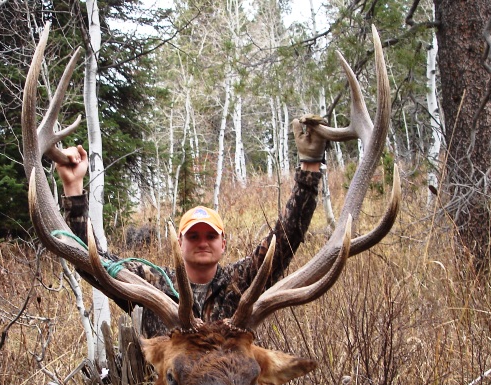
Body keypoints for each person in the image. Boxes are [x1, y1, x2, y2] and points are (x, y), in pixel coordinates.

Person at [56, 116, 327, 338]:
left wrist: (310, 168)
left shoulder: (241, 281)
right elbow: (92, 261)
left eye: (211, 235)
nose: (202, 241)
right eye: (193, 235)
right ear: (179, 243)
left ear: (224, 243)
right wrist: (73, 186)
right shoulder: (153, 283)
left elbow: (284, 240)